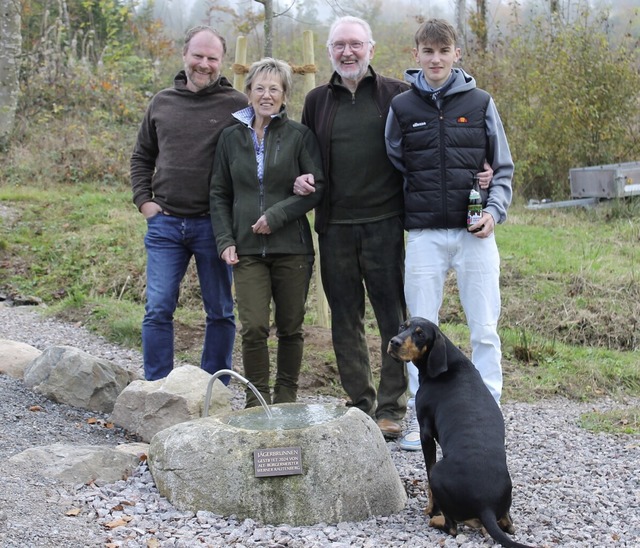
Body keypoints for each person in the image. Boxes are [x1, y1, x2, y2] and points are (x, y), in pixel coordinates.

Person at [385, 18, 514, 448]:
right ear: (416, 55)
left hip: (474, 234)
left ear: (456, 54)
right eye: (428, 51)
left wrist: (492, 211)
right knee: (418, 331)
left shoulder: (480, 102)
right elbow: (397, 161)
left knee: (484, 327)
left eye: (444, 51)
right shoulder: (402, 108)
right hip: (423, 235)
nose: (436, 59)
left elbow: (503, 167)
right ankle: (426, 420)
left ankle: (487, 413)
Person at [297, 16, 410, 439]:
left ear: (371, 49)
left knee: (392, 318)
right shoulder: (316, 100)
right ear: (329, 52)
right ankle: (360, 404)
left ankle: (392, 407)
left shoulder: (397, 95)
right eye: (339, 45)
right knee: (345, 318)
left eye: (356, 44)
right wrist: (301, 178)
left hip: (385, 223)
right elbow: (304, 154)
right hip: (335, 226)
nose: (348, 52)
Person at [130, 26, 248, 382]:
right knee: (158, 309)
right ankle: (157, 387)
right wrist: (145, 203)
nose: (204, 64)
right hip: (165, 223)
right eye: (198, 55)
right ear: (185, 55)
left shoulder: (237, 105)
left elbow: (259, 152)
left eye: (212, 58)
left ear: (221, 62)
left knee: (221, 311)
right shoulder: (162, 102)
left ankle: (215, 388)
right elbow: (141, 157)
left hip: (214, 225)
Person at [210, 58, 325, 408]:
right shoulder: (230, 137)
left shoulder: (299, 136)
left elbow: (317, 187)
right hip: (246, 250)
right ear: (248, 93)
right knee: (254, 327)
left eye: (274, 88)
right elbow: (218, 193)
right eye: (259, 87)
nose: (266, 94)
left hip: (292, 249)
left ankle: (286, 398)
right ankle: (256, 400)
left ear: (285, 95)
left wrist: (276, 215)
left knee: (291, 328)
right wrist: (225, 240)